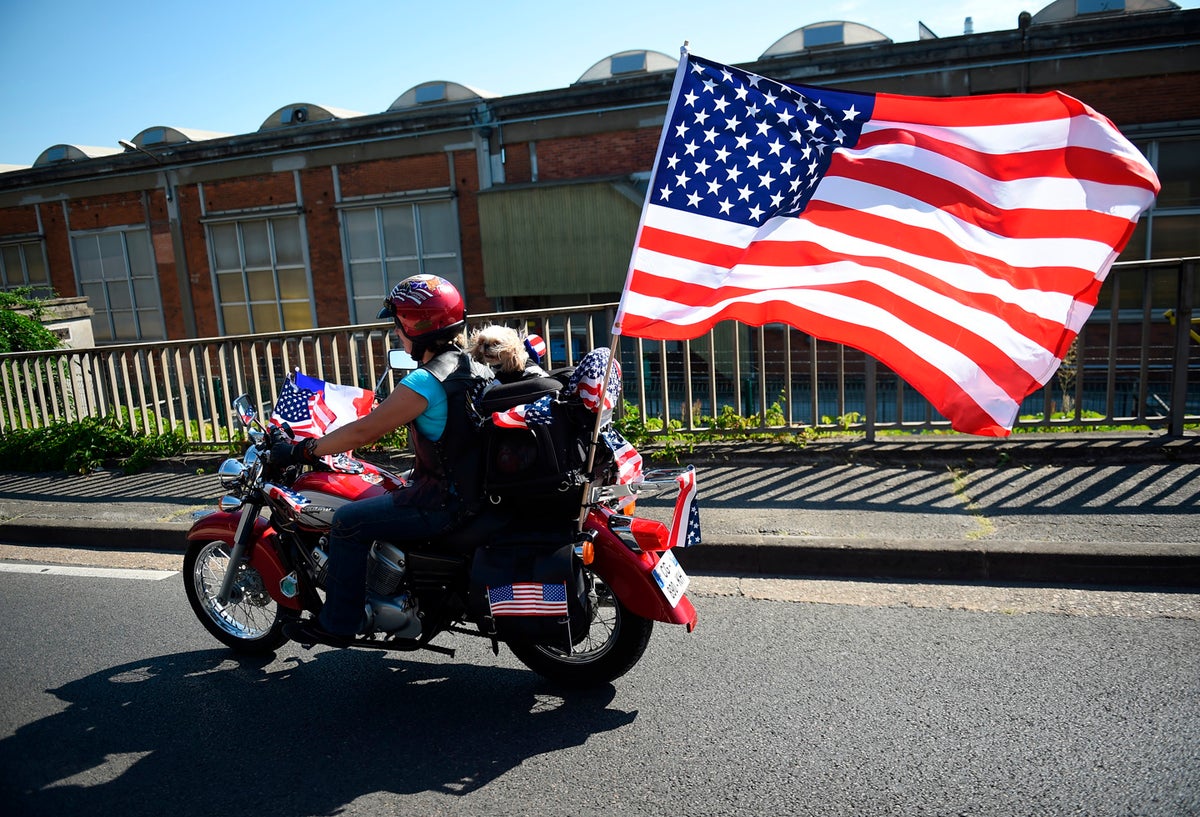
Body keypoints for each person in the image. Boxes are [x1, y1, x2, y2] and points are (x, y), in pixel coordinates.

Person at [272, 274, 494, 647]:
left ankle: (338, 622)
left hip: (442, 503)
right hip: (471, 492)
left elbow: (363, 433)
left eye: (397, 325)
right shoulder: (472, 368)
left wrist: (302, 450)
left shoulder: (425, 381)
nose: (396, 334)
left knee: (346, 522)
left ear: (414, 326)